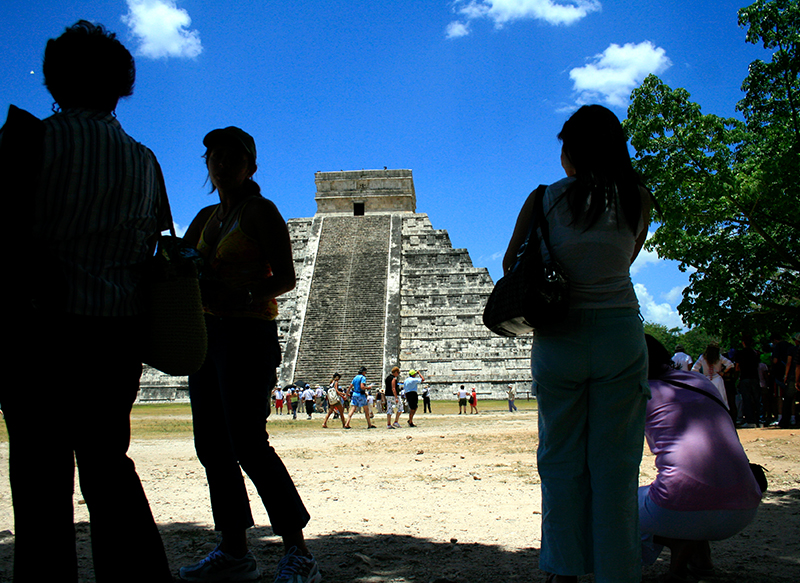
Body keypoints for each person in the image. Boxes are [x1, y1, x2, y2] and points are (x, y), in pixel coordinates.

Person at [0, 21, 172, 582]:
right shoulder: (146, 160)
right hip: (115, 337)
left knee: (41, 477)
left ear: (55, 78)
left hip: (38, 332)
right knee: (108, 468)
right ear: (121, 86)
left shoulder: (32, 141)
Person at [503, 105, 652, 583]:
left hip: (559, 337)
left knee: (561, 460)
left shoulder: (544, 198)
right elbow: (625, 260)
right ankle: (618, 571)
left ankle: (563, 571)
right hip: (618, 334)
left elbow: (512, 266)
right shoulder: (636, 198)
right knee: (616, 463)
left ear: (570, 150)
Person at [180, 127, 320, 583]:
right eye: (214, 157)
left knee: (248, 444)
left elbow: (286, 277)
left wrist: (235, 291)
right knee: (212, 447)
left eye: (231, 157)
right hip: (207, 335)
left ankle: (297, 551)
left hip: (248, 333)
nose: (221, 164)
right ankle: (235, 548)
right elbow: (182, 264)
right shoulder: (204, 217)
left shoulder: (261, 212)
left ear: (250, 166)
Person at [640, 336, 762, 581]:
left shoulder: (642, 393)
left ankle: (678, 545)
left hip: (682, 508)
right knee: (699, 478)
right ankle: (701, 559)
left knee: (616, 506)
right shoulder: (698, 381)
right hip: (744, 507)